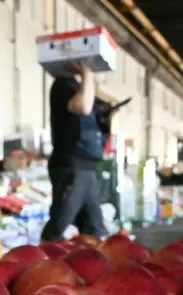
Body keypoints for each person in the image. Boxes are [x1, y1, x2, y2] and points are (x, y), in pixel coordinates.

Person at [41, 62, 109, 242]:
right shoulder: (62, 85)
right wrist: (87, 73)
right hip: (72, 168)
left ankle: (97, 263)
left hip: (88, 170)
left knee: (95, 228)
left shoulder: (77, 87)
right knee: (58, 225)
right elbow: (82, 107)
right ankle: (43, 262)